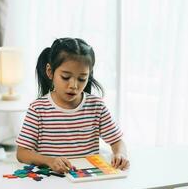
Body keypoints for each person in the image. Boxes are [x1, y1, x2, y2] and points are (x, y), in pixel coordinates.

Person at [16, 37, 129, 173]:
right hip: (53, 179)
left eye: (82, 79)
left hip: (87, 178)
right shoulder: (38, 109)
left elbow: (117, 141)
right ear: (50, 72)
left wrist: (120, 154)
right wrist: (49, 160)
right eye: (65, 77)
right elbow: (22, 153)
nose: (74, 86)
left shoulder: (97, 107)